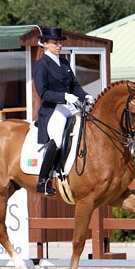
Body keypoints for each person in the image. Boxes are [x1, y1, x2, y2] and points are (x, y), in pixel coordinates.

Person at [34, 26, 93, 196]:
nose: (59, 46)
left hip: (69, 106)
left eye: (60, 43)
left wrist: (85, 96)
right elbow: (43, 93)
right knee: (58, 140)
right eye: (55, 43)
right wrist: (65, 96)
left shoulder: (64, 62)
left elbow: (75, 86)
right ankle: (43, 180)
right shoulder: (41, 65)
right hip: (53, 110)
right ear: (45, 44)